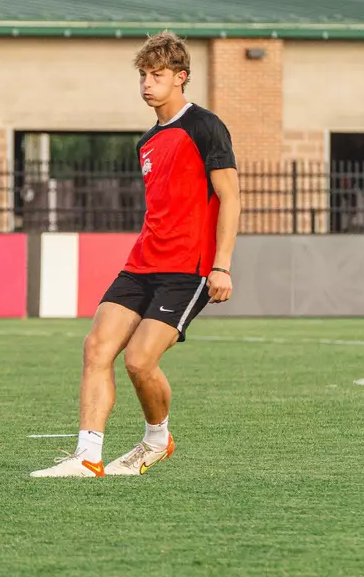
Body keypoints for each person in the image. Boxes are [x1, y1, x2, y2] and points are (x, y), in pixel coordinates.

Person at [31, 31, 241, 478]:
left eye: (158, 75)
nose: (148, 83)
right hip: (141, 263)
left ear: (181, 78)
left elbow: (230, 198)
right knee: (96, 348)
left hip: (189, 269)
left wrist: (221, 265)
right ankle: (87, 457)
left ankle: (157, 439)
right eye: (143, 75)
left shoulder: (205, 126)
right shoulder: (146, 141)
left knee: (139, 361)